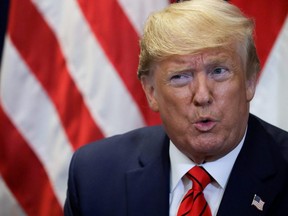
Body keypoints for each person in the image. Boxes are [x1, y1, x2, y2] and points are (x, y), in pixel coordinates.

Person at [64, 0, 288, 215]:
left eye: (218, 71)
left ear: (249, 81)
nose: (202, 96)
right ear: (151, 92)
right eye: (180, 76)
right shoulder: (95, 176)